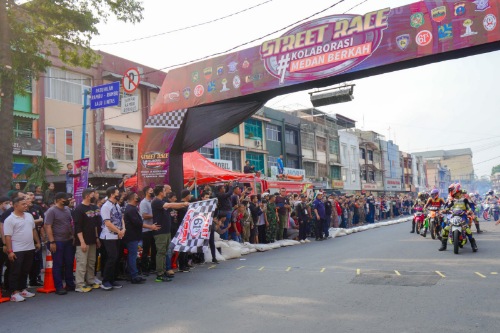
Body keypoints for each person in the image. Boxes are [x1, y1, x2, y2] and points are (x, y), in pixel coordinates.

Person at [4, 197, 41, 302]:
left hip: (29, 247)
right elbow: (7, 236)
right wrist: (10, 251)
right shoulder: (10, 219)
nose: (26, 206)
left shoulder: (29, 216)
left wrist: (37, 242)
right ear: (15, 206)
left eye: (26, 204)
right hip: (17, 249)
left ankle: (22, 289)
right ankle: (14, 292)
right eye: (23, 204)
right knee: (15, 271)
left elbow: (33, 230)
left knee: (25, 269)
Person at [151, 185, 188, 282]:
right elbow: (169, 205)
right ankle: (159, 274)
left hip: (166, 231)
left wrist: (183, 204)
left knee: (165, 252)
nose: (166, 192)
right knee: (161, 253)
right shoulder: (156, 201)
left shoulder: (162, 201)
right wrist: (183, 204)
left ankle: (164, 271)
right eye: (164, 191)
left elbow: (172, 204)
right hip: (161, 232)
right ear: (160, 192)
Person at [44, 192, 76, 295]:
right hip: (57, 241)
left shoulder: (67, 210)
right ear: (58, 199)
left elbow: (70, 224)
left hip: (68, 240)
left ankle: (70, 284)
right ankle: (59, 286)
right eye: (65, 199)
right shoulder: (51, 211)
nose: (68, 200)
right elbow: (47, 226)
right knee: (58, 264)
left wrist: (73, 236)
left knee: (69, 263)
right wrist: (52, 241)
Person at [124, 192, 159, 284]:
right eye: (136, 197)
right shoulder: (130, 209)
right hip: (131, 236)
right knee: (132, 255)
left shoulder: (133, 208)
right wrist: (150, 226)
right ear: (132, 199)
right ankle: (133, 275)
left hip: (135, 235)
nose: (138, 198)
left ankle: (134, 274)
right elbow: (138, 223)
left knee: (133, 255)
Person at [73, 188, 101, 293]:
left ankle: (90, 280)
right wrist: (82, 242)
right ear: (87, 196)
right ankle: (79, 284)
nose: (95, 196)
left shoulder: (93, 207)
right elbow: (77, 227)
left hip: (93, 240)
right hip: (82, 241)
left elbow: (95, 225)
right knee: (82, 263)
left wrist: (97, 237)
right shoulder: (79, 209)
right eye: (93, 194)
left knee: (91, 262)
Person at [99, 187, 125, 291]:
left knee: (117, 257)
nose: (119, 195)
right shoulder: (106, 206)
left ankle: (112, 279)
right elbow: (107, 223)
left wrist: (123, 229)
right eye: (117, 193)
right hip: (108, 236)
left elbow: (121, 218)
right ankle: (105, 281)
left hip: (118, 235)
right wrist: (119, 231)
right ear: (111, 194)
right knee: (111, 257)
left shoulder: (117, 205)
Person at [439, 184, 478, 252]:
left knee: (467, 229)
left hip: (463, 216)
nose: (453, 193)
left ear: (458, 191)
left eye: (454, 191)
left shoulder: (465, 199)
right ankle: (443, 245)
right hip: (454, 216)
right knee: (445, 229)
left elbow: (472, 206)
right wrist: (444, 210)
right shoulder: (453, 200)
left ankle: (473, 245)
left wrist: (470, 211)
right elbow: (447, 207)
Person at [139, 186, 156, 275]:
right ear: (146, 192)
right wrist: (155, 215)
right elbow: (144, 216)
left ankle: (153, 267)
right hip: (146, 229)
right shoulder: (143, 203)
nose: (152, 192)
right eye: (151, 191)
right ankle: (144, 269)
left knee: (154, 249)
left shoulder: (153, 201)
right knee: (146, 250)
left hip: (154, 228)